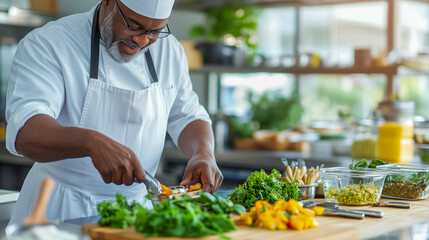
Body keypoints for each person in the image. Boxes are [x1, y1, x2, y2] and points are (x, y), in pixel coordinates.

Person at [6, 0, 223, 225]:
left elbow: (187, 115)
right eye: (133, 25)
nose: (141, 40)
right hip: (59, 209)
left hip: (136, 214)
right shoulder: (50, 42)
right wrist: (91, 142)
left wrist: (203, 153)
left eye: (154, 32)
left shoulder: (169, 51)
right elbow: (25, 131)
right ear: (109, 2)